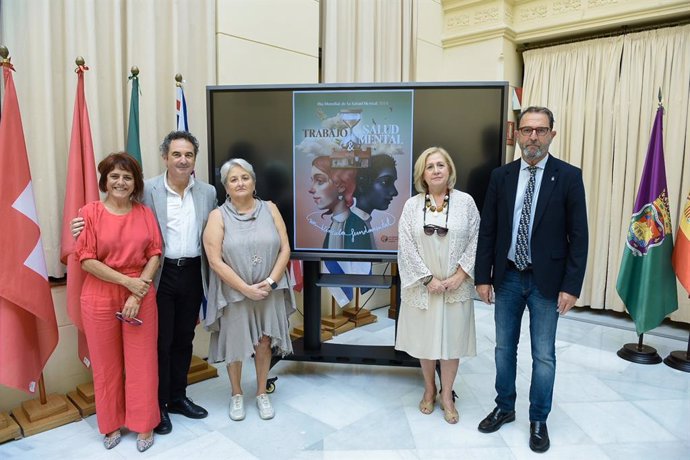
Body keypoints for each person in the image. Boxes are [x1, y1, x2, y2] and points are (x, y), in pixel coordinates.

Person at [72, 131, 217, 435]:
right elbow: (115, 214)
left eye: (188, 155)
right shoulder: (147, 189)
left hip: (191, 272)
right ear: (165, 157)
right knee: (158, 344)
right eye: (176, 154)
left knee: (183, 339)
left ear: (194, 160)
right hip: (157, 276)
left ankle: (178, 397)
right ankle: (159, 405)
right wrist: (80, 224)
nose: (182, 160)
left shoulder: (208, 192)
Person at [474, 106, 588, 453]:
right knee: (504, 349)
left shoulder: (568, 176)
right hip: (507, 277)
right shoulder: (501, 176)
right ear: (518, 135)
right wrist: (483, 277)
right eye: (527, 130)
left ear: (552, 134)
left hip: (547, 282)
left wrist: (571, 286)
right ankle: (505, 407)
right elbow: (489, 229)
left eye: (540, 130)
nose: (533, 137)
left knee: (544, 355)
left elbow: (578, 236)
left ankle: (538, 419)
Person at [75, 152, 161, 452]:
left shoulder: (144, 213)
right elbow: (85, 259)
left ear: (135, 183)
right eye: (115, 176)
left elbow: (154, 253)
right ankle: (110, 423)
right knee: (105, 365)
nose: (121, 182)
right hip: (100, 294)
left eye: (127, 177)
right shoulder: (89, 213)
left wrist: (137, 292)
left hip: (141, 293)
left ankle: (144, 423)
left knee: (143, 362)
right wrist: (127, 284)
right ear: (105, 180)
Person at [203, 158, 295, 421]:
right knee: (236, 343)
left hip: (268, 291)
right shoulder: (217, 216)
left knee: (265, 341)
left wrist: (269, 283)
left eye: (245, 177)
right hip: (234, 292)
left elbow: (285, 249)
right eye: (233, 179)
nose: (240, 183)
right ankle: (236, 394)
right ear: (225, 187)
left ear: (253, 182)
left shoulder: (271, 208)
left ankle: (261, 392)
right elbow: (214, 260)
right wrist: (245, 289)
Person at [395, 146, 480, 425]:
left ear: (450, 170)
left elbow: (478, 239)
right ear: (422, 174)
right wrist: (427, 279)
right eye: (430, 166)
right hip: (424, 287)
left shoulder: (466, 202)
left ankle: (447, 394)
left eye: (440, 165)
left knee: (452, 341)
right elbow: (405, 245)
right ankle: (429, 388)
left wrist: (460, 275)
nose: (436, 170)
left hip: (457, 285)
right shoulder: (412, 205)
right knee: (426, 340)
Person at [309, 155, 371, 250]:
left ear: (341, 187)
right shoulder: (336, 224)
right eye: (312, 181)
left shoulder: (356, 225)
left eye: (320, 181)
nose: (311, 190)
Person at [351, 153, 399, 248]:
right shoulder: (354, 225)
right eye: (385, 182)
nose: (394, 192)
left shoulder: (361, 222)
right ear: (362, 183)